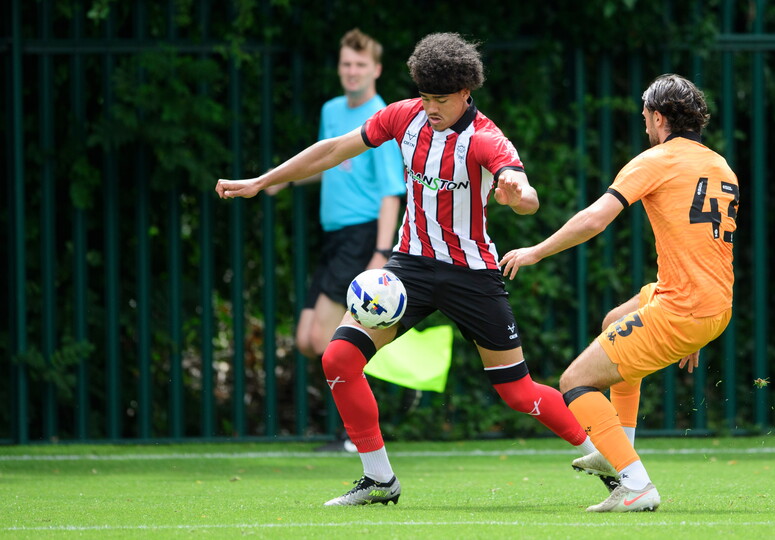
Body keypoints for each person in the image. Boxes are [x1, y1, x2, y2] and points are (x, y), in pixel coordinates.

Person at [216, 32, 598, 507]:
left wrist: (518, 196)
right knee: (338, 358)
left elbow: (522, 189)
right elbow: (333, 150)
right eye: (424, 96)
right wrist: (262, 180)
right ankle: (379, 479)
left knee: (518, 392)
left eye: (441, 99)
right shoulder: (403, 116)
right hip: (409, 267)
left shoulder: (485, 138)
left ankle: (602, 456)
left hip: (471, 274)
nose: (430, 107)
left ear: (465, 93)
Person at [500, 73, 739, 513]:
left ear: (660, 117)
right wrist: (700, 329)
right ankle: (616, 446)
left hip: (685, 306)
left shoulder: (656, 159)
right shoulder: (719, 165)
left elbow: (594, 219)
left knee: (575, 381)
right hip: (712, 303)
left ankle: (636, 484)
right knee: (614, 320)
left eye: (646, 116)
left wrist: (536, 251)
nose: (644, 124)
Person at [266, 29, 405, 454]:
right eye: (346, 63)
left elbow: (390, 193)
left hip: (363, 239)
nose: (352, 71)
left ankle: (356, 432)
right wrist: (281, 180)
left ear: (376, 70)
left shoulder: (380, 117)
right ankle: (383, 359)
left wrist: (381, 255)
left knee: (330, 339)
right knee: (308, 340)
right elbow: (328, 163)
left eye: (360, 65)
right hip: (334, 237)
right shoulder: (331, 110)